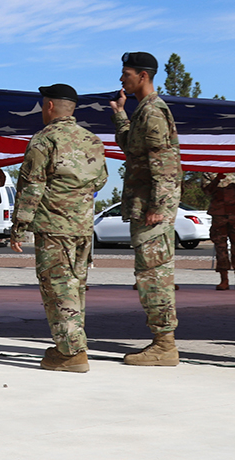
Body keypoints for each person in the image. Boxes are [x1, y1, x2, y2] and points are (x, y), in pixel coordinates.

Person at [9, 84, 107, 372]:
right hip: (82, 226)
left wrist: (19, 227)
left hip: (54, 226)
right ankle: (73, 343)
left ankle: (71, 352)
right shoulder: (93, 140)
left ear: (49, 106)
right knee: (75, 287)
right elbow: (100, 180)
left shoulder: (44, 139)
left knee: (58, 288)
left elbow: (32, 185)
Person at [111, 52, 182, 366]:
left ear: (143, 75)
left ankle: (165, 346)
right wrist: (120, 115)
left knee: (155, 275)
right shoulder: (142, 111)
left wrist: (158, 205)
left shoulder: (153, 111)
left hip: (152, 208)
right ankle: (162, 342)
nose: (121, 79)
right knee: (148, 273)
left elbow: (163, 162)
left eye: (126, 73)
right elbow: (131, 149)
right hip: (144, 206)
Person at [201, 172, 235, 290]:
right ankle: (224, 279)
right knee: (221, 248)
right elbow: (207, 191)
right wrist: (217, 179)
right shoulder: (210, 171)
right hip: (219, 215)